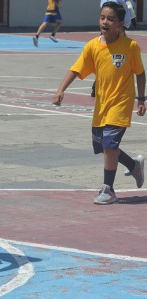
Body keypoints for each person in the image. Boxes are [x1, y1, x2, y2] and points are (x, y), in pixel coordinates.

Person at [52, 1, 146, 205]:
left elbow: (140, 73)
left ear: (121, 23)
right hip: (102, 105)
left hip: (121, 104)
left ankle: (108, 189)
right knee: (105, 148)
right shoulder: (93, 46)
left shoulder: (130, 47)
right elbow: (76, 69)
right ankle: (134, 165)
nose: (105, 22)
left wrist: (141, 99)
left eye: (111, 19)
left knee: (109, 145)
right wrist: (61, 90)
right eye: (102, 17)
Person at [91, 0, 136, 97]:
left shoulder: (123, 3)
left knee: (115, 59)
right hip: (115, 30)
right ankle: (99, 83)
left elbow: (127, 10)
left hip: (118, 27)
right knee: (108, 59)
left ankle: (101, 84)